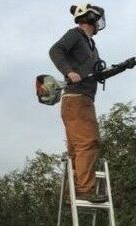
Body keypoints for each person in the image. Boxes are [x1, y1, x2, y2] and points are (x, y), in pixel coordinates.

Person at [49, 4, 108, 203]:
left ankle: (73, 191)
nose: (99, 23)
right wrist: (68, 71)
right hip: (76, 99)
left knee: (78, 147)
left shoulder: (92, 46)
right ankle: (85, 189)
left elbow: (94, 72)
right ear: (90, 17)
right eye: (97, 18)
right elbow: (56, 50)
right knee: (88, 143)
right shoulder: (74, 35)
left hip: (85, 100)